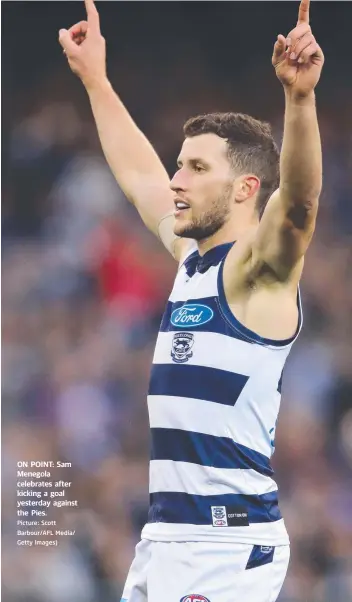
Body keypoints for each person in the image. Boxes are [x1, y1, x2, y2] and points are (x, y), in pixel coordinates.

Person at [59, 0, 324, 600]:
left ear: (244, 189)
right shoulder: (192, 260)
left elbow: (300, 207)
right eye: (180, 165)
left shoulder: (258, 272)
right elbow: (138, 175)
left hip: (224, 546)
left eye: (195, 168)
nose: (175, 180)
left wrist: (300, 102)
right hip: (166, 539)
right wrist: (96, 81)